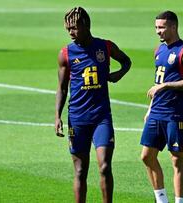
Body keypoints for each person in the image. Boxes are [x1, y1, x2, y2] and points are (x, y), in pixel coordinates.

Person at [55, 7, 131, 203]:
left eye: (74, 28)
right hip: (78, 118)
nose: (71, 33)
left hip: (101, 117)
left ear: (86, 25)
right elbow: (62, 88)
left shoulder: (105, 47)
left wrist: (118, 74)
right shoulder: (65, 54)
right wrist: (57, 117)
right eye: (68, 29)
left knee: (104, 166)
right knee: (80, 170)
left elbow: (126, 61)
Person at [140, 11, 183, 203]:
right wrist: (150, 108)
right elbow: (158, 81)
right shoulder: (159, 50)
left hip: (175, 113)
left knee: (176, 158)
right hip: (157, 111)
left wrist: (165, 86)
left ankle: (179, 201)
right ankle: (161, 200)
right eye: (156, 27)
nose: (158, 31)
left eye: (162, 27)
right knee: (146, 156)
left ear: (174, 27)